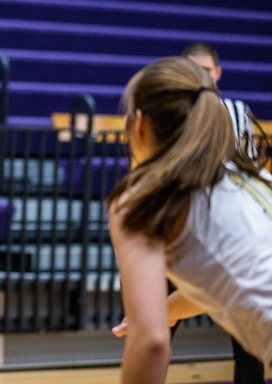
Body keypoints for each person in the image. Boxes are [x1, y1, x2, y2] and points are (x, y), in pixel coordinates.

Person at [107, 56, 272, 384]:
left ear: (139, 124)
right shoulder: (244, 174)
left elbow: (151, 342)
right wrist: (164, 311)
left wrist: (147, 324)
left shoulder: (141, 198)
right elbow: (230, 277)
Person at [181, 42, 264, 384]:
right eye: (193, 70)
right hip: (187, 226)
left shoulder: (236, 111)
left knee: (247, 336)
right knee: (158, 321)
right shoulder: (174, 112)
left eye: (206, 70)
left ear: (217, 73)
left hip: (230, 230)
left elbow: (248, 168)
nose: (200, 77)